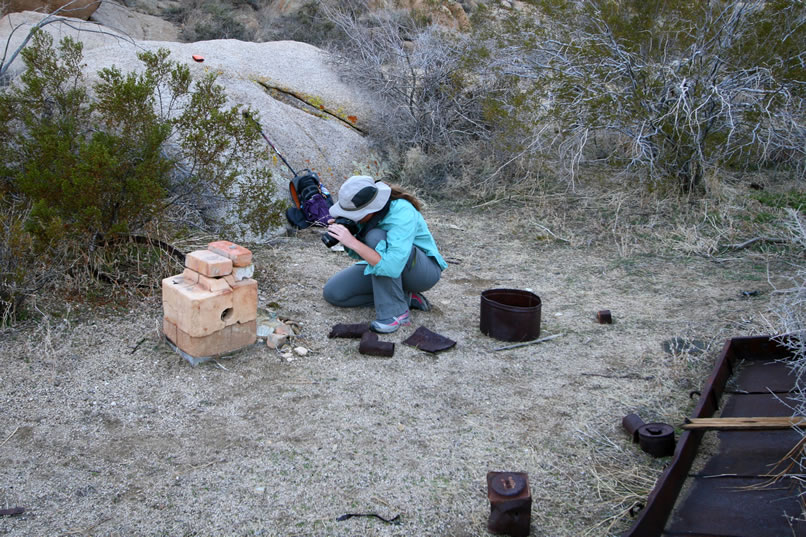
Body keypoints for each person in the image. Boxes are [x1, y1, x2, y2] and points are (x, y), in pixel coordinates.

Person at [322, 175, 447, 333]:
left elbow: (392, 267)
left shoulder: (402, 211)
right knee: (335, 292)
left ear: (372, 208)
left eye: (354, 214)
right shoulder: (368, 217)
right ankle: (406, 297)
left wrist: (353, 241)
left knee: (375, 236)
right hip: (387, 266)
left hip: (421, 272)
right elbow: (360, 254)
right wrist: (347, 236)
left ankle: (395, 313)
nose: (352, 218)